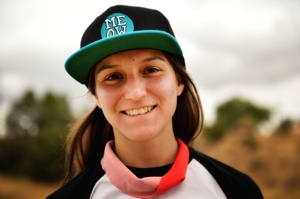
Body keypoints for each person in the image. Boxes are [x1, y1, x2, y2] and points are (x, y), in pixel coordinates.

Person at [47, 5, 263, 199]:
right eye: (113, 77)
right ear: (97, 97)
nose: (135, 93)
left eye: (151, 70)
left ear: (179, 81)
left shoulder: (237, 190)